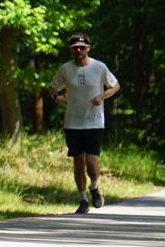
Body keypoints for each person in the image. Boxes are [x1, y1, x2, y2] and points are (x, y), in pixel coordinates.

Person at [49, 32, 120, 214]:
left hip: (94, 122)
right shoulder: (66, 69)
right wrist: (57, 97)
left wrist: (101, 97)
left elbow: (115, 86)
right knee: (78, 162)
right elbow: (52, 87)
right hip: (72, 122)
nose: (78, 51)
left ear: (88, 48)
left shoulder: (99, 67)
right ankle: (83, 200)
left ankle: (94, 187)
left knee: (91, 162)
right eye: (75, 48)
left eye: (82, 47)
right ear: (71, 50)